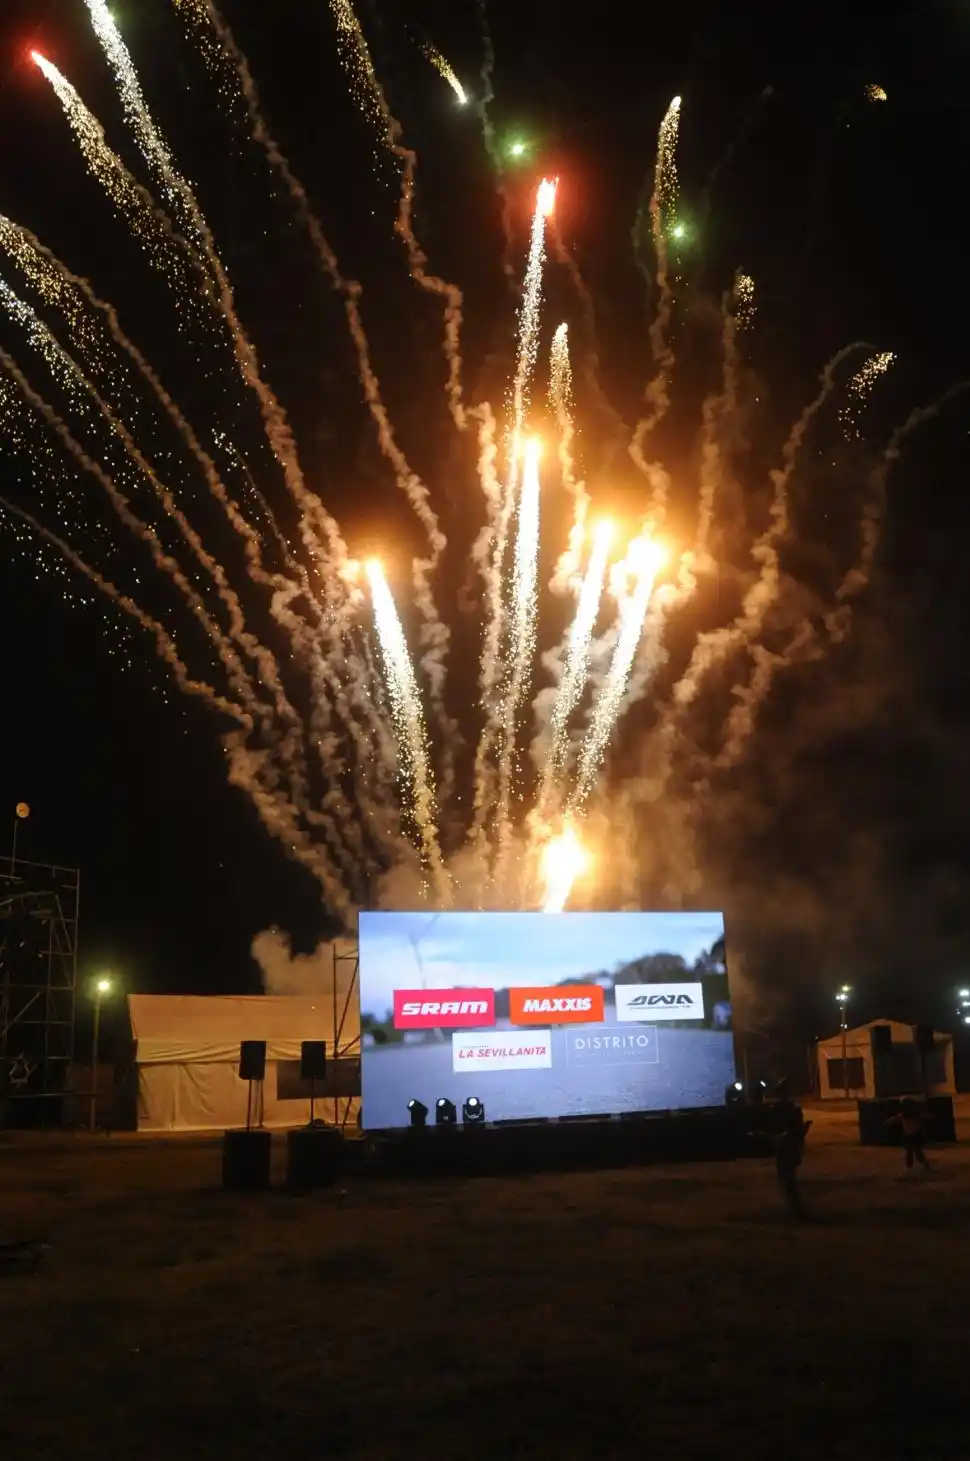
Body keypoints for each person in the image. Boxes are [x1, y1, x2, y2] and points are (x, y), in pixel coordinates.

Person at [770, 1099, 812, 1219]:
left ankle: (796, 1210)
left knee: (788, 1185)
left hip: (787, 1161)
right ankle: (797, 1209)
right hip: (789, 1160)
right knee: (789, 1185)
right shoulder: (790, 1134)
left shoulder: (787, 1135)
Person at [886, 1097, 931, 1172]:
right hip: (909, 1136)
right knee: (910, 1152)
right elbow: (894, 1119)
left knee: (917, 1152)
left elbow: (925, 1117)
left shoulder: (916, 1115)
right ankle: (910, 1167)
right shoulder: (904, 1115)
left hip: (916, 1135)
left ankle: (925, 1163)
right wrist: (888, 1122)